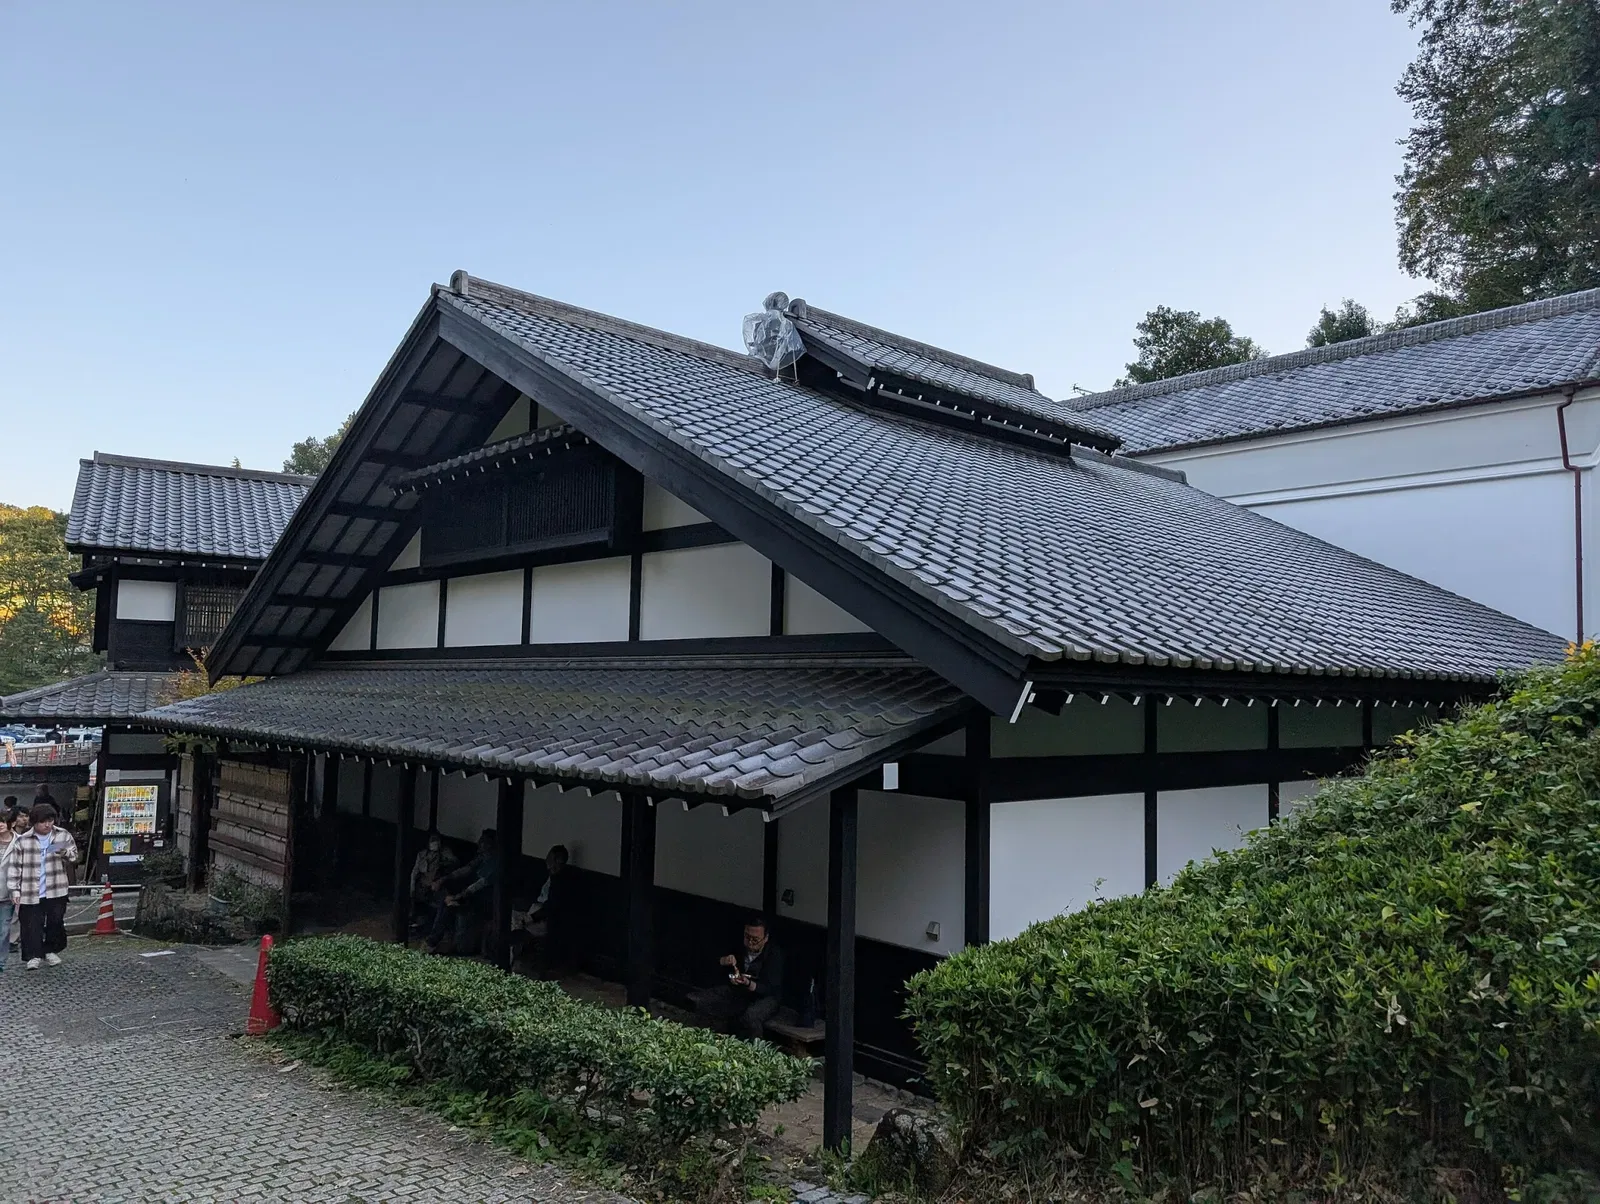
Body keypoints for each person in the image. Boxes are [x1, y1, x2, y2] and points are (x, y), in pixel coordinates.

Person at [6, 802, 79, 970]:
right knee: (31, 924)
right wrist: (14, 890)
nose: (47, 825)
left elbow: (74, 857)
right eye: (43, 821)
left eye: (50, 820)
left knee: (55, 921)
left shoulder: (62, 835)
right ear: (34, 822)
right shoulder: (23, 840)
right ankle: (33, 955)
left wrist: (64, 853)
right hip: (30, 889)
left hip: (57, 887)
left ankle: (51, 950)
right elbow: (15, 867)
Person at [698, 916, 785, 1039]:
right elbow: (711, 964)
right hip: (740, 990)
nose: (750, 942)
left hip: (767, 996)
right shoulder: (738, 946)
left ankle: (755, 1050)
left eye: (755, 940)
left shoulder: (774, 955)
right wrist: (724, 962)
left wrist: (749, 983)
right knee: (706, 1001)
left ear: (765, 938)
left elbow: (770, 988)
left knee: (751, 1017)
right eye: (747, 937)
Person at [426, 828, 497, 955]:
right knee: (445, 897)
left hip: (484, 901)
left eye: (483, 841)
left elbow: (477, 886)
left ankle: (434, 941)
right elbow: (466, 869)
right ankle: (435, 939)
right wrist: (443, 879)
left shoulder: (494, 864)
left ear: (490, 844)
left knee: (449, 905)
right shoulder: (482, 858)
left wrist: (457, 897)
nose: (479, 843)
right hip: (471, 896)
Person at [511, 845, 572, 976]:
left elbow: (550, 908)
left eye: (550, 858)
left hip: (545, 920)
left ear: (558, 860)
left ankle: (514, 963)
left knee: (515, 926)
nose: (546, 861)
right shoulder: (553, 877)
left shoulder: (560, 881)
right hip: (538, 911)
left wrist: (530, 918)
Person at [408, 829, 459, 930]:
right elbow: (415, 872)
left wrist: (444, 864)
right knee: (415, 900)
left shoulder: (445, 852)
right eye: (432, 839)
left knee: (444, 902)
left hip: (438, 885)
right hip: (423, 885)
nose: (435, 842)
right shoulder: (422, 854)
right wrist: (412, 888)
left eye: (437, 839)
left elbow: (455, 862)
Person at [0, 807, 18, 972]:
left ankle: (1, 962)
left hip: (8, 892)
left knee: (4, 930)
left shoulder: (19, 842)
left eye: (3, 821)